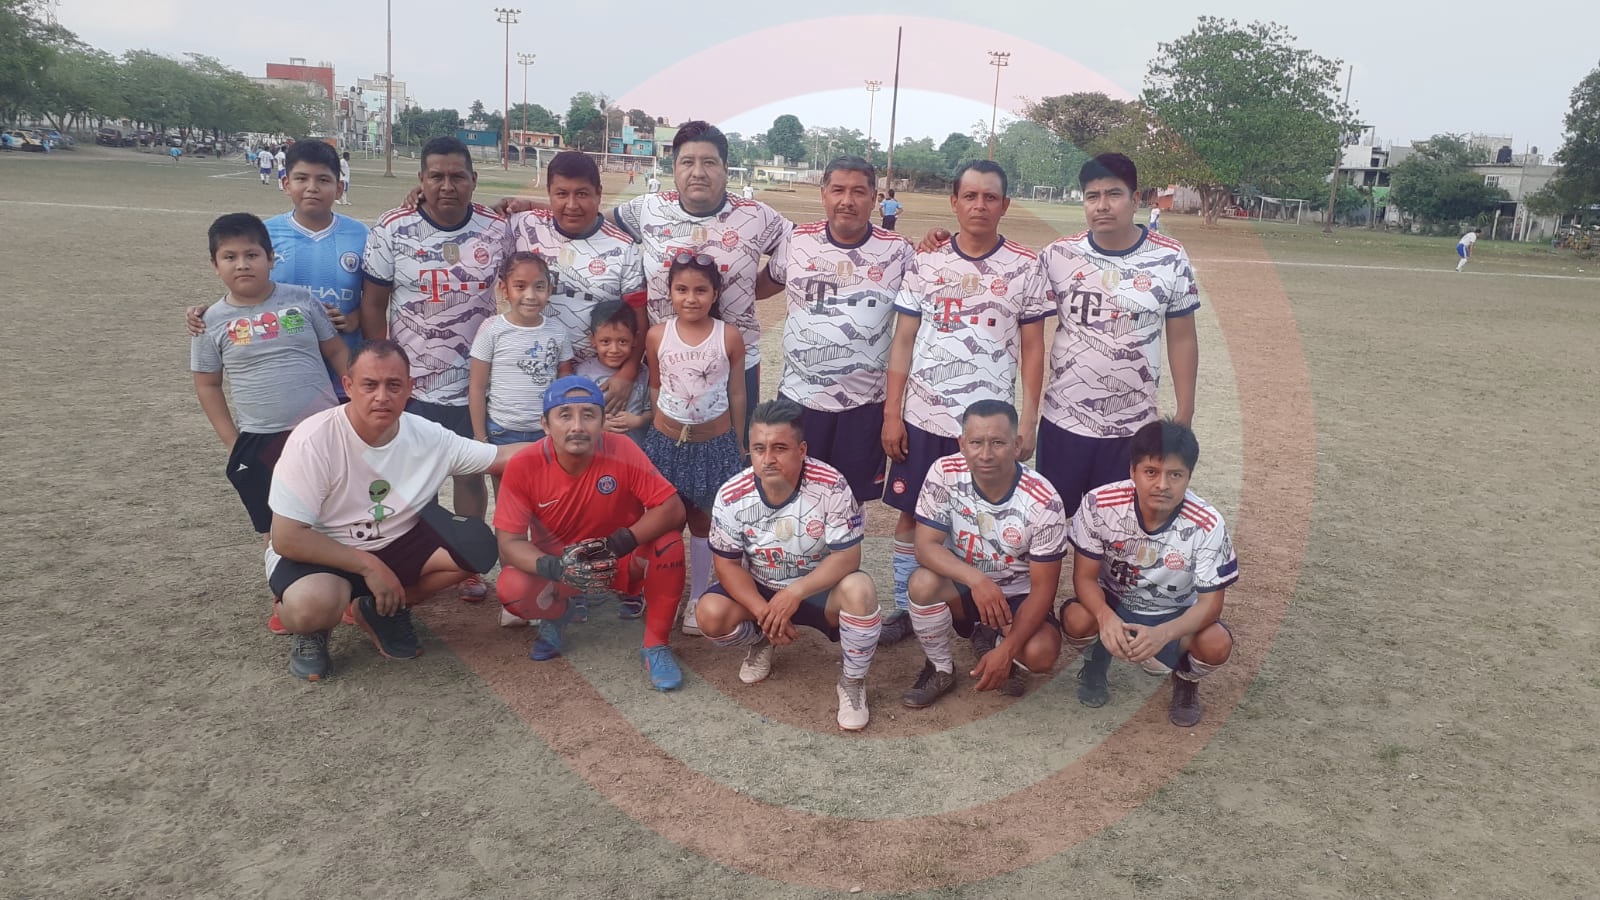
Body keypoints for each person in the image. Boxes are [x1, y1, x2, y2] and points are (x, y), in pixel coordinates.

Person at [267, 341, 530, 682]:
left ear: (410, 388)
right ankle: (310, 630)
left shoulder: (426, 434)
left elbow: (501, 457)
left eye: (393, 385)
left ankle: (381, 609)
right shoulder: (313, 439)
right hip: (325, 550)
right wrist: (369, 565)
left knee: (476, 547)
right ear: (348, 386)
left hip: (395, 540)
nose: (382, 396)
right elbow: (287, 538)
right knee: (312, 607)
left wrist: (570, 442)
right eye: (369, 385)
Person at [881, 159, 1048, 638]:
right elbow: (903, 340)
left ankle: (977, 614)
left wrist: (1029, 421)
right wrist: (893, 413)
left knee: (982, 516)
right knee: (913, 513)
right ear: (954, 202)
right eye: (970, 196)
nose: (979, 205)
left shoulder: (1025, 266)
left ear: (1005, 205)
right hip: (924, 416)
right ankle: (907, 606)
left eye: (990, 197)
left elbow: (1033, 349)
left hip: (988, 430)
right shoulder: (926, 261)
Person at [360, 135, 510, 602]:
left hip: (474, 384)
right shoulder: (392, 228)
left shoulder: (496, 229)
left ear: (473, 180)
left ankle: (466, 563)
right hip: (413, 386)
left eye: (457, 176)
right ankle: (413, 556)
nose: (447, 186)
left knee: (470, 473)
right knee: (411, 478)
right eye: (437, 176)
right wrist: (384, 369)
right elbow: (374, 302)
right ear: (421, 180)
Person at [192, 213, 352, 633]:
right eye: (229, 257)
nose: (242, 264)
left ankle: (352, 593)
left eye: (251, 254)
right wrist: (233, 441)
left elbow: (336, 352)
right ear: (215, 265)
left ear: (270, 258)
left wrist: (353, 403)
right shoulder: (209, 322)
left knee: (337, 513)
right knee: (276, 526)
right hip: (260, 440)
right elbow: (207, 384)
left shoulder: (302, 300)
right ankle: (284, 596)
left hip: (322, 432)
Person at [695, 398, 882, 730]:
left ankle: (852, 682)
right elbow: (726, 565)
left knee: (861, 590)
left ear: (802, 449)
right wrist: (764, 612)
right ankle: (760, 639)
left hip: (818, 592)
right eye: (759, 448)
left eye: (780, 448)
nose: (768, 458)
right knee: (709, 614)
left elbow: (848, 557)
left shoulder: (832, 485)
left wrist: (794, 593)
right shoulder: (731, 495)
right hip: (762, 589)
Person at [493, 376, 689, 690]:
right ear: (545, 424)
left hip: (617, 559)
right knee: (512, 586)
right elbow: (509, 543)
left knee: (669, 544)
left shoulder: (621, 448)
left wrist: (616, 544)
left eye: (588, 415)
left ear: (602, 421)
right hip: (564, 567)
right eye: (565, 415)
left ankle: (656, 645)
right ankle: (558, 613)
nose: (577, 426)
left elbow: (672, 508)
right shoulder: (523, 465)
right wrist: (555, 567)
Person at [1036, 153, 1200, 520]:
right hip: (1064, 421)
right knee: (1053, 525)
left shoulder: (1170, 257)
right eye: (1092, 196)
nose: (1102, 206)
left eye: (1113, 194)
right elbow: (1009, 297)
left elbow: (1183, 339)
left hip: (1134, 429)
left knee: (1118, 527)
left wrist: (1185, 411)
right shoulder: (1058, 255)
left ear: (1135, 199)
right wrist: (941, 244)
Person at [610, 121, 788, 430]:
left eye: (709, 162)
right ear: (674, 168)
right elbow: (591, 225)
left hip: (736, 362)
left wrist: (757, 287)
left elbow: (803, 246)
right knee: (663, 450)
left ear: (726, 169)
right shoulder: (648, 209)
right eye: (687, 162)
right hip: (664, 362)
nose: (698, 172)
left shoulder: (757, 215)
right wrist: (530, 208)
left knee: (733, 452)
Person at [1059, 419, 1237, 727]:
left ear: (1189, 476)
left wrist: (1164, 634)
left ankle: (1186, 680)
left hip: (1175, 612)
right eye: (1151, 472)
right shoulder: (1099, 504)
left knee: (1216, 643)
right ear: (1133, 471)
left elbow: (1211, 605)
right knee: (1077, 618)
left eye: (1175, 474)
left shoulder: (1208, 524)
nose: (1162, 485)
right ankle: (1096, 662)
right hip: (1115, 601)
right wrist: (1105, 617)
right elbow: (1084, 578)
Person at [768, 155, 915, 504]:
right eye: (838, 190)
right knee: (792, 497)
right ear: (823, 194)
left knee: (849, 502)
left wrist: (936, 242)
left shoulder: (899, 252)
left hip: (863, 406)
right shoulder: (796, 241)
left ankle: (847, 543)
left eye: (858, 192)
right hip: (800, 401)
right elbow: (764, 283)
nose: (847, 200)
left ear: (875, 198)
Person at [900, 400, 1065, 707]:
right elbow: (925, 546)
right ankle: (940, 667)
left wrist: (1008, 651)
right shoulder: (944, 472)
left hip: (1017, 596)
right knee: (922, 583)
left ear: (1017, 445)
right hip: (965, 586)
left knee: (1041, 653)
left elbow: (1044, 589)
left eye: (998, 443)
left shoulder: (1044, 501)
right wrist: (976, 580)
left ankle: (997, 640)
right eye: (976, 442)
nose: (986, 454)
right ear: (962, 444)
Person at [185, 141, 366, 405]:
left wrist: (354, 318)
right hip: (284, 381)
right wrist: (205, 315)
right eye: (301, 178)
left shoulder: (362, 235)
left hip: (345, 375)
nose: (312, 187)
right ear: (285, 184)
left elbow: (378, 297)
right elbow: (245, 290)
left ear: (339, 188)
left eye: (323, 180)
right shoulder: (263, 235)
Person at [642, 253, 747, 633]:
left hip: (714, 446)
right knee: (662, 522)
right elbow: (656, 386)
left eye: (701, 290)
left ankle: (698, 597)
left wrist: (738, 441)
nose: (691, 298)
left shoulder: (728, 336)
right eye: (681, 289)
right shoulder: (658, 335)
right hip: (665, 446)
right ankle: (659, 592)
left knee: (703, 524)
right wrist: (659, 431)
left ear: (715, 293)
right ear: (669, 292)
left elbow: (737, 392)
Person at [503, 151, 648, 411]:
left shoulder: (624, 248)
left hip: (594, 385)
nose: (571, 205)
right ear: (549, 193)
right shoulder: (522, 226)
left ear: (598, 194)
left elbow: (639, 318)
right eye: (561, 194)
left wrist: (628, 372)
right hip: (529, 375)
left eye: (582, 194)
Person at [468, 251, 573, 452]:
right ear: (504, 289)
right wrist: (480, 438)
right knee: (506, 475)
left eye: (539, 287)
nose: (530, 296)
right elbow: (477, 388)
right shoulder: (491, 329)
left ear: (549, 290)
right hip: (501, 432)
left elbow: (565, 382)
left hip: (546, 431)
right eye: (520, 286)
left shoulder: (558, 331)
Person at [577, 299, 653, 451]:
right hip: (596, 453)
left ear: (635, 339)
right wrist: (598, 424)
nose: (614, 349)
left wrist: (638, 421)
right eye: (605, 341)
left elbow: (652, 411)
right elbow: (576, 413)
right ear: (593, 340)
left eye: (622, 341)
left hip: (635, 453)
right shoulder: (583, 374)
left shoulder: (643, 373)